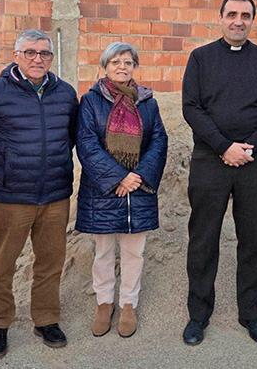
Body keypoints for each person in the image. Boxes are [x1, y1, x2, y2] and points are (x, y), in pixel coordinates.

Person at [181, 0, 257, 346]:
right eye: (232, 14)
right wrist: (224, 146)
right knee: (203, 239)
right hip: (210, 159)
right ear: (221, 17)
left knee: (253, 241)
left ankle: (251, 314)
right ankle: (198, 315)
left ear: (253, 19)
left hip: (254, 162)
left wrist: (249, 147)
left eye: (245, 14)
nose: (238, 20)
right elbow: (191, 108)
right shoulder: (200, 58)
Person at [0, 29, 78, 359]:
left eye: (44, 53)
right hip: (10, 197)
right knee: (2, 264)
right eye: (30, 52)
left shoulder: (65, 93)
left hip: (55, 195)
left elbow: (71, 137)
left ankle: (46, 319)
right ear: (16, 55)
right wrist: (2, 172)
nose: (38, 59)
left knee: (50, 261)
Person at [75, 42, 168, 338]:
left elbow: (159, 141)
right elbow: (86, 144)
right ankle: (104, 303)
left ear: (134, 67)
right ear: (105, 66)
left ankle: (128, 304)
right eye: (115, 62)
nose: (122, 67)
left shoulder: (147, 102)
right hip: (103, 190)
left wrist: (138, 176)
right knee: (102, 251)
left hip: (138, 189)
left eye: (127, 62)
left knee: (134, 252)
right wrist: (118, 177)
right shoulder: (90, 101)